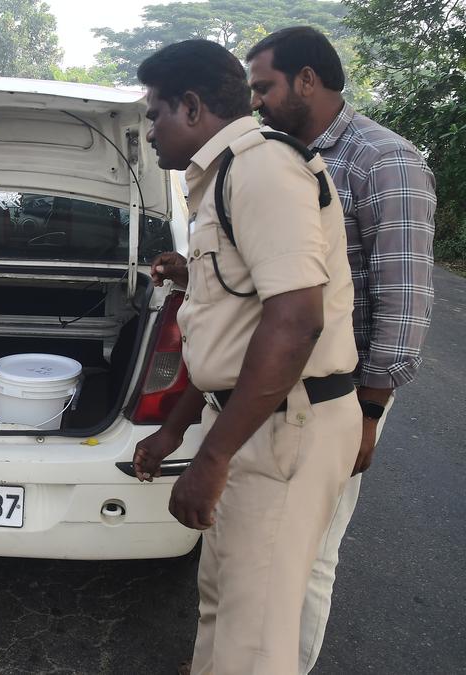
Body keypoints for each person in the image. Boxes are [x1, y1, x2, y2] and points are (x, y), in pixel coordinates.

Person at [131, 40, 361, 674]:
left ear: (193, 106)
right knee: (226, 605)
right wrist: (175, 430)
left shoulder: (260, 170)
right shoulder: (222, 178)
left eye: (155, 114)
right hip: (252, 419)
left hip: (285, 426)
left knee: (255, 640)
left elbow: (293, 324)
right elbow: (229, 330)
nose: (149, 131)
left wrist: (212, 457)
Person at [244, 26, 437, 673]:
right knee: (265, 541)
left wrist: (370, 414)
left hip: (344, 396)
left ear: (307, 80)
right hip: (281, 387)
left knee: (310, 551)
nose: (257, 101)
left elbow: (404, 304)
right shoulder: (284, 157)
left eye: (264, 86)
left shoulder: (384, 160)